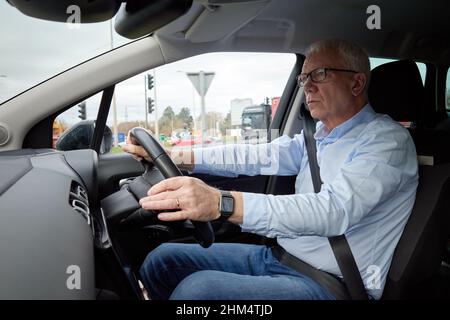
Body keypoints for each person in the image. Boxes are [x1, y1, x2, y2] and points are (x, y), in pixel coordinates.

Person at [122, 39, 418, 300]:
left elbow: (334, 211)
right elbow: (253, 156)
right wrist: (176, 155)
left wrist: (220, 203)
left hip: (333, 284)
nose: (308, 87)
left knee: (197, 292)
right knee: (161, 262)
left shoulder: (387, 142)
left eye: (320, 74)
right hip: (281, 258)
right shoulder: (316, 139)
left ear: (356, 83)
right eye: (304, 78)